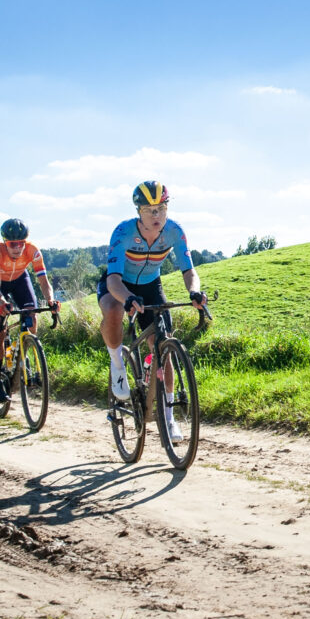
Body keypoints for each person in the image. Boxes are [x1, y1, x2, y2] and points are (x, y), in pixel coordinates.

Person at [97, 180, 207, 442]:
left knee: (163, 346)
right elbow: (112, 280)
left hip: (150, 285)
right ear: (139, 211)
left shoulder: (174, 232)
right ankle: (117, 365)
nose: (157, 215)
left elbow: (189, 270)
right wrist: (127, 298)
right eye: (149, 209)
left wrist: (194, 292)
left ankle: (168, 420)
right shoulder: (123, 232)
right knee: (112, 310)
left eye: (162, 208)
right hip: (120, 283)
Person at [0, 218, 59, 403]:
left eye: (21, 243)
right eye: (12, 244)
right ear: (5, 242)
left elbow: (43, 281)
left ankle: (24, 355)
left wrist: (50, 299)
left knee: (31, 317)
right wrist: (2, 302)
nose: (17, 248)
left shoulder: (33, 251)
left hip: (19, 279)